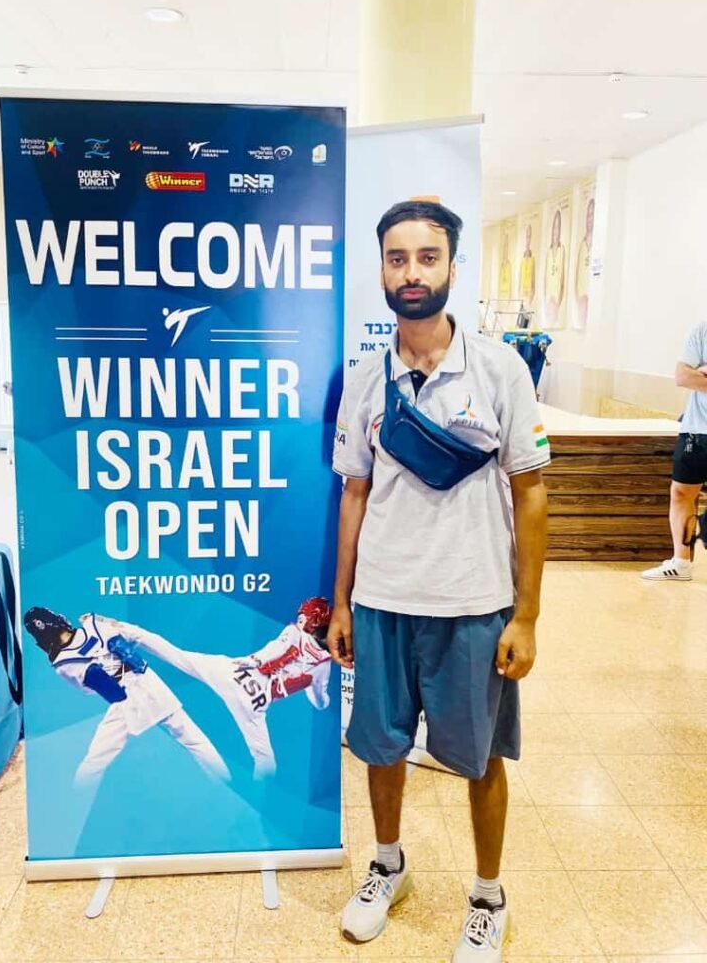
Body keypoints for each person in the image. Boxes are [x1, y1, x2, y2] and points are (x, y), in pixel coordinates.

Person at [329, 200, 549, 962]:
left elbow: (532, 492)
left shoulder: (500, 370)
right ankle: (388, 865)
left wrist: (527, 615)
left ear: (453, 266)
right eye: (397, 258)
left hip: (474, 601)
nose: (412, 273)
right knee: (380, 748)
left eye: (427, 257)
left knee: (482, 758)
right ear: (382, 271)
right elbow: (354, 493)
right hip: (383, 601)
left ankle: (488, 897)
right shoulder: (365, 379)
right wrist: (343, 602)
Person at [103, 596, 333, 779]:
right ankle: (255, 805)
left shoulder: (293, 632)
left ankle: (122, 628)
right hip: (254, 701)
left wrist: (254, 660)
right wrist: (311, 686)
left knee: (177, 655)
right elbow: (320, 701)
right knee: (266, 763)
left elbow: (274, 649)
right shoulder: (323, 664)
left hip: (233, 671)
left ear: (310, 619)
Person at [23, 607, 230, 785]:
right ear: (59, 620)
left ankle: (76, 795)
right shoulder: (96, 624)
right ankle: (226, 783)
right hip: (148, 683)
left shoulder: (63, 665)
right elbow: (138, 635)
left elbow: (89, 690)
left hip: (124, 701)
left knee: (95, 760)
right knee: (194, 741)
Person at [642, 322, 707, 580]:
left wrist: (702, 374)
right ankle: (681, 563)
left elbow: (693, 377)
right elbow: (683, 377)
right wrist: (694, 374)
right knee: (681, 493)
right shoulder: (702, 331)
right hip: (697, 431)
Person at [574, 198, 594, 328]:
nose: (590, 219)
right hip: (580, 297)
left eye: (592, 215)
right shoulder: (581, 245)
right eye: (588, 215)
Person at [543, 209, 566, 326]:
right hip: (548, 298)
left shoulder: (562, 250)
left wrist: (558, 301)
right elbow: (545, 279)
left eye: (558, 227)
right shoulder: (548, 252)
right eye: (554, 227)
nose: (555, 231)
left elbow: (562, 279)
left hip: (556, 299)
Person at [518, 223, 536, 304]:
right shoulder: (522, 260)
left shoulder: (533, 259)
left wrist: (532, 293)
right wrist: (519, 292)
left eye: (529, 236)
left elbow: (533, 278)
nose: (528, 239)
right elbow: (520, 277)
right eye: (527, 236)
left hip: (529, 293)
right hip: (522, 293)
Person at [497, 233, 512, 300]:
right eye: (504, 246)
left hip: (506, 297)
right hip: (500, 296)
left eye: (507, 246)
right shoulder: (500, 265)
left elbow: (510, 283)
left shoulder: (509, 265)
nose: (505, 249)